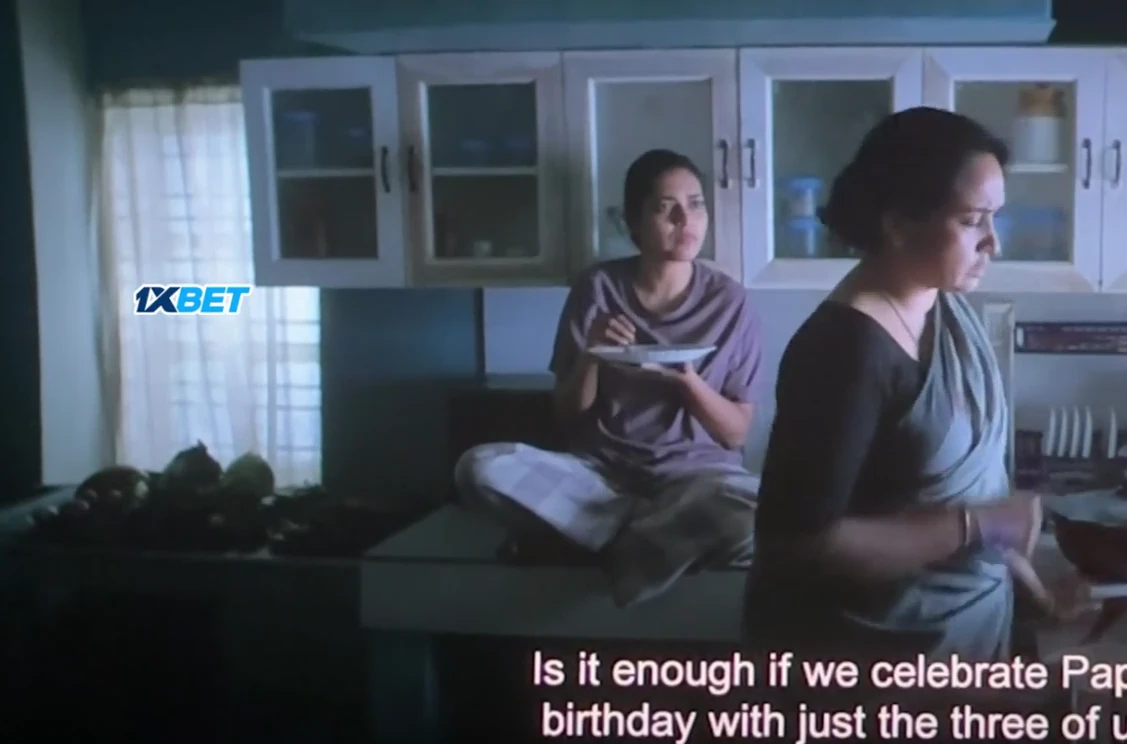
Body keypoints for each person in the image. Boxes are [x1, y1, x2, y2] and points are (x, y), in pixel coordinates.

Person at [744, 108, 1091, 664]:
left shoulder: (945, 308)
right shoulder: (844, 352)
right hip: (867, 668)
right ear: (899, 222)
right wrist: (978, 525)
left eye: (994, 218)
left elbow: (964, 498)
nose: (993, 243)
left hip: (963, 645)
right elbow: (795, 547)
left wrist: (1039, 597)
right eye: (972, 220)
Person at [455, 149, 765, 607]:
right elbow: (568, 415)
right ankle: (643, 536)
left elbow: (735, 434)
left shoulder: (730, 302)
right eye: (665, 207)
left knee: (760, 516)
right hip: (600, 476)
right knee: (479, 468)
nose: (685, 220)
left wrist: (687, 381)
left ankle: (605, 536)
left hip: (697, 479)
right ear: (633, 222)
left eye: (696, 204)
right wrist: (591, 355)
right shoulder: (598, 288)